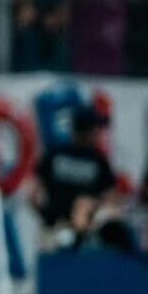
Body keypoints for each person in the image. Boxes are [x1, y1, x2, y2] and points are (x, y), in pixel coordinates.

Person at [33, 106, 120, 250]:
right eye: (96, 130)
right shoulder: (97, 159)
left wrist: (48, 217)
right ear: (90, 131)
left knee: (52, 267)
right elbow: (110, 198)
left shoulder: (54, 154)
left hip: (55, 230)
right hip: (86, 234)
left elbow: (33, 195)